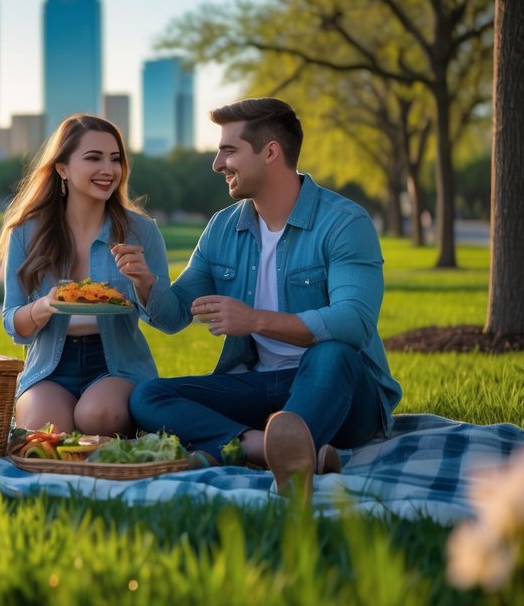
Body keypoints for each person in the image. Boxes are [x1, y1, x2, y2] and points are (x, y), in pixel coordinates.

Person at [128, 98, 402, 496]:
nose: (217, 164)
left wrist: (254, 320)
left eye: (229, 150)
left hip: (341, 390)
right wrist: (146, 283)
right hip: (261, 386)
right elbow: (173, 316)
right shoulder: (222, 229)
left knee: (332, 351)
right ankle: (272, 448)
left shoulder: (344, 223)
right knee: (148, 396)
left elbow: (353, 322)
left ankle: (238, 448)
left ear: (271, 152)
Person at [0, 113, 179, 437]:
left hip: (117, 367)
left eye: (115, 159)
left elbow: (169, 321)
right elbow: (14, 325)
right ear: (62, 168)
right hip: (49, 367)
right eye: (94, 158)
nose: (108, 170)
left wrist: (145, 282)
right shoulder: (25, 233)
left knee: (99, 417)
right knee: (46, 432)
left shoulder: (141, 232)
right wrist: (45, 306)